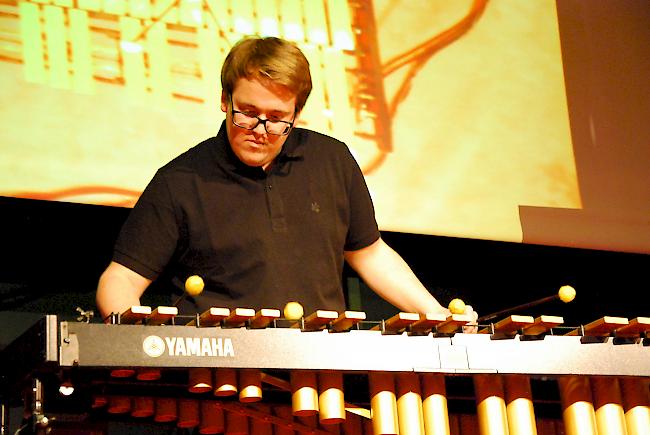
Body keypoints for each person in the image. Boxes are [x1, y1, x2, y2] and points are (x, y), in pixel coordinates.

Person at [96, 36, 476, 323]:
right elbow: (121, 280)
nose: (260, 130)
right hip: (219, 371)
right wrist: (142, 342)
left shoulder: (332, 160)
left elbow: (370, 253)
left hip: (320, 362)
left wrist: (436, 313)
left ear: (298, 111)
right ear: (224, 100)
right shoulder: (180, 180)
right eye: (247, 112)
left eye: (278, 118)